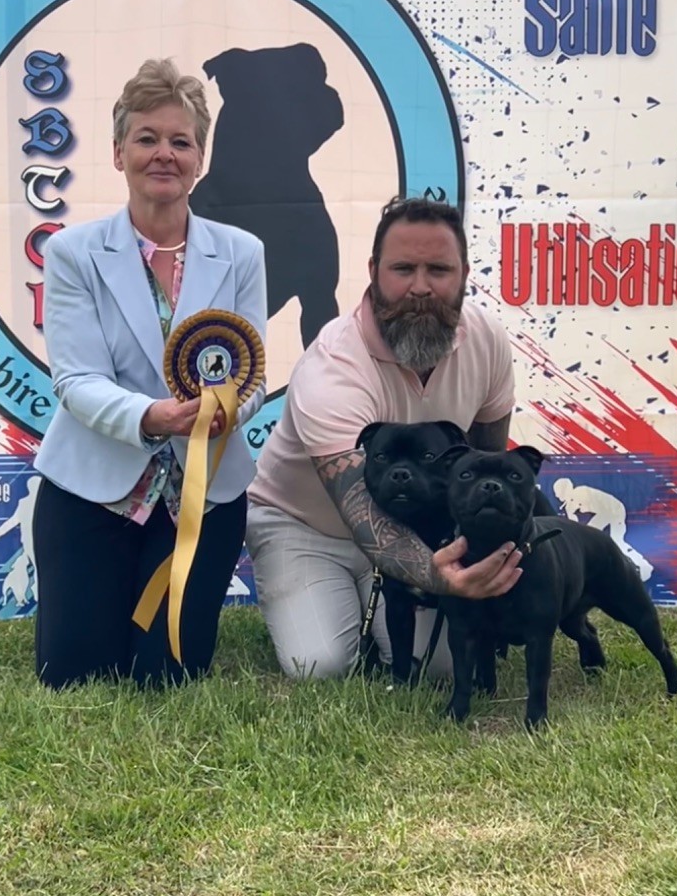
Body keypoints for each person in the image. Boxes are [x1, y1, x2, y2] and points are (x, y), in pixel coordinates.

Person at [32, 58, 267, 689]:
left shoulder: (243, 253)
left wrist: (220, 413)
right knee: (75, 674)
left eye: (180, 141)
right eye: (147, 138)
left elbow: (253, 375)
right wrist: (153, 417)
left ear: (201, 159)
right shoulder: (71, 253)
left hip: (202, 496)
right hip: (91, 491)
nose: (164, 153)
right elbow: (75, 380)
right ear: (118, 153)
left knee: (168, 675)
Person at [246, 196, 522, 679]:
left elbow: (488, 461)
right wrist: (446, 577)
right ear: (374, 271)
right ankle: (335, 600)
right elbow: (363, 513)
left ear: (464, 272)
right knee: (320, 666)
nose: (420, 287)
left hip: (419, 527)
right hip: (306, 527)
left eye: (438, 269)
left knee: (441, 670)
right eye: (403, 269)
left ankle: (376, 616)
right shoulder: (333, 363)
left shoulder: (488, 339)